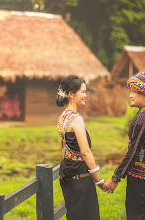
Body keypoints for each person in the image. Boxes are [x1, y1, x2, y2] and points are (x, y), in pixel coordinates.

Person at [103, 70, 145, 220]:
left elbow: (133, 151)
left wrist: (116, 177)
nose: (130, 95)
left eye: (134, 92)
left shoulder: (142, 118)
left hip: (141, 182)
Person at [56, 75, 104, 220]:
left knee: (73, 214)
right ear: (71, 94)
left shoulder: (62, 117)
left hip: (67, 172)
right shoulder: (76, 119)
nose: (85, 95)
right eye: (82, 92)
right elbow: (85, 152)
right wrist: (99, 180)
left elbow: (66, 148)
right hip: (80, 175)